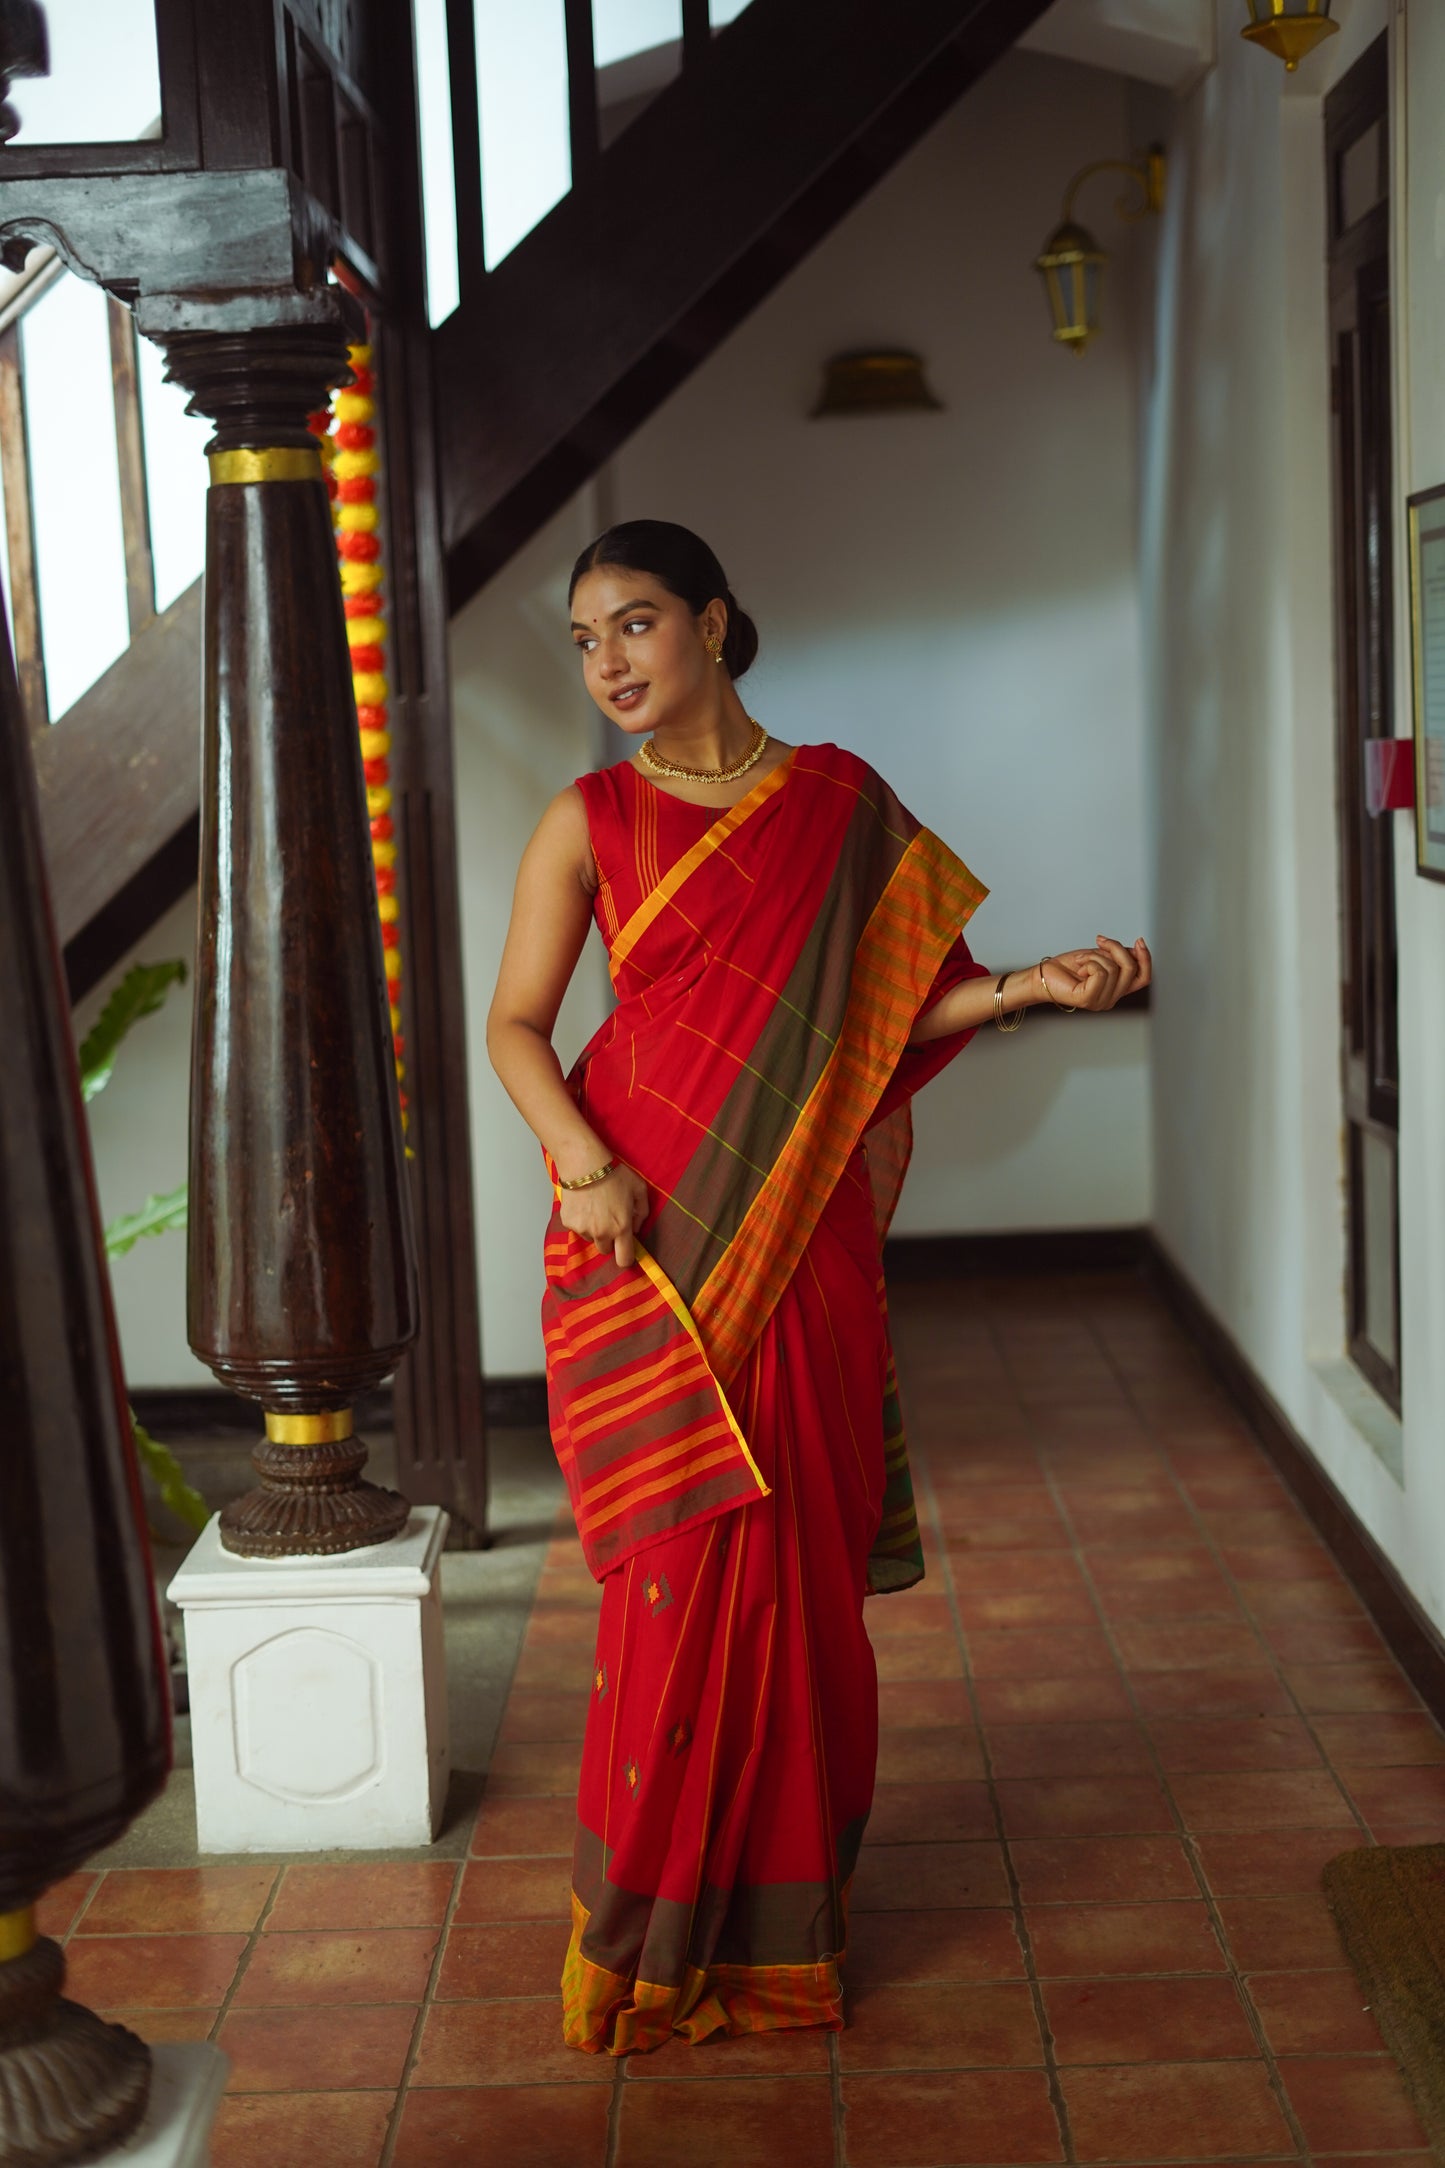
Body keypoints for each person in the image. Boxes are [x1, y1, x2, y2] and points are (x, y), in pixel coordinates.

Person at [487, 519, 1150, 2056]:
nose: (610, 665)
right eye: (586, 643)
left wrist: (1033, 986)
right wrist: (582, 1162)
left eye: (636, 626)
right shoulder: (585, 819)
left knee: (797, 1574)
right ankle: (652, 1939)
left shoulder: (843, 802)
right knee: (676, 1573)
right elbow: (518, 1025)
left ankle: (782, 1926)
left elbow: (902, 1007)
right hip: (646, 1226)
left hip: (804, 1241)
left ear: (714, 623)